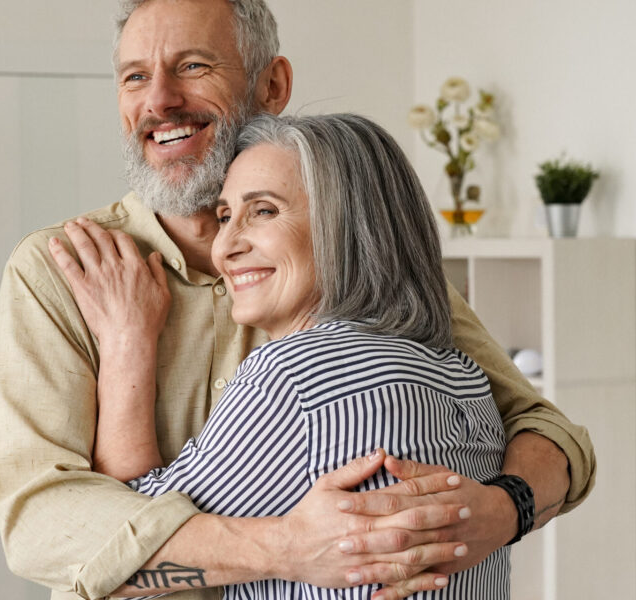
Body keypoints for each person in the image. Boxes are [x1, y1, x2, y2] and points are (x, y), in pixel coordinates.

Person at [0, 0, 595, 598]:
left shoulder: (360, 274)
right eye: (135, 77)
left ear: (272, 83)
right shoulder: (58, 271)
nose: (159, 100)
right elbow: (40, 523)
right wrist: (286, 548)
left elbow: (545, 430)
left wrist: (502, 510)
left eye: (193, 66)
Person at [71, 112, 513, 599]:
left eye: (262, 211)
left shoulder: (293, 377)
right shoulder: (466, 377)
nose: (225, 246)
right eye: (224, 216)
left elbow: (125, 550)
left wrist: (125, 341)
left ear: (346, 227)